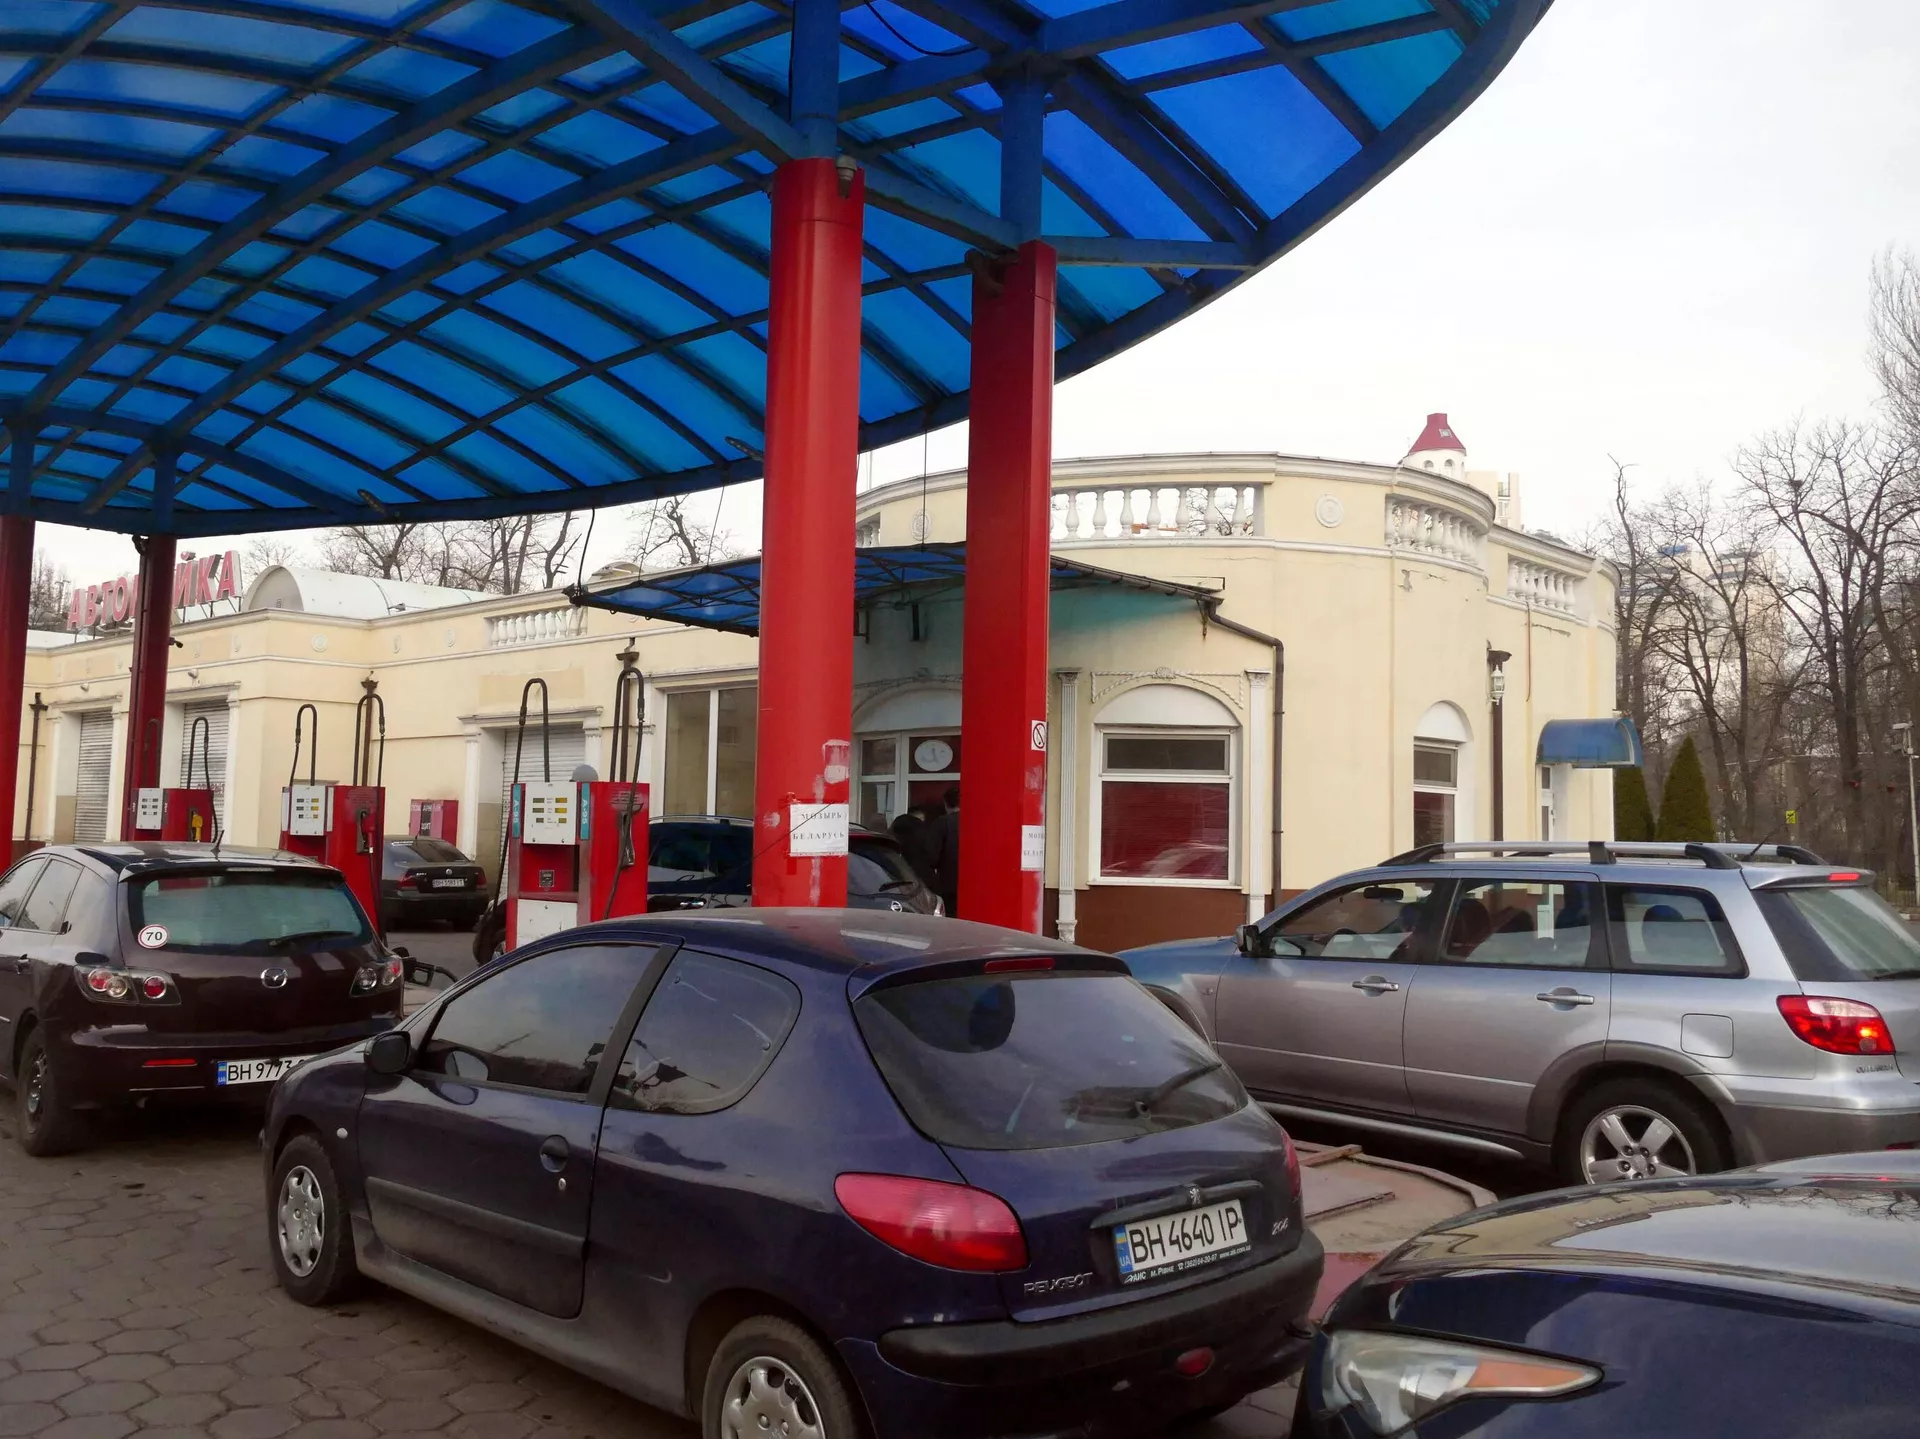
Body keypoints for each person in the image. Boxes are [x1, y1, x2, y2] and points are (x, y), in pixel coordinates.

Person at [925, 786, 960, 917]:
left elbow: (931, 856)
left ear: (945, 803)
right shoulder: (976, 822)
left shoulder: (942, 823)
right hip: (974, 883)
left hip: (948, 883)